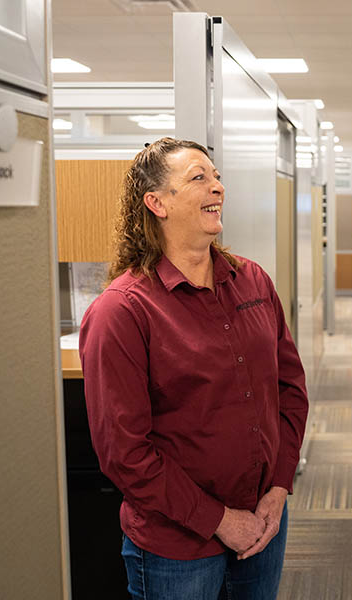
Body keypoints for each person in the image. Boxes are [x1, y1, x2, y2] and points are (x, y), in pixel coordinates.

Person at [79, 137, 308, 600]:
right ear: (156, 203)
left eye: (217, 176)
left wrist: (279, 486)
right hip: (178, 547)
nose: (217, 187)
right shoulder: (123, 311)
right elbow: (125, 453)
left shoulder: (253, 280)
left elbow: (290, 389)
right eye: (199, 178)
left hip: (264, 522)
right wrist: (221, 521)